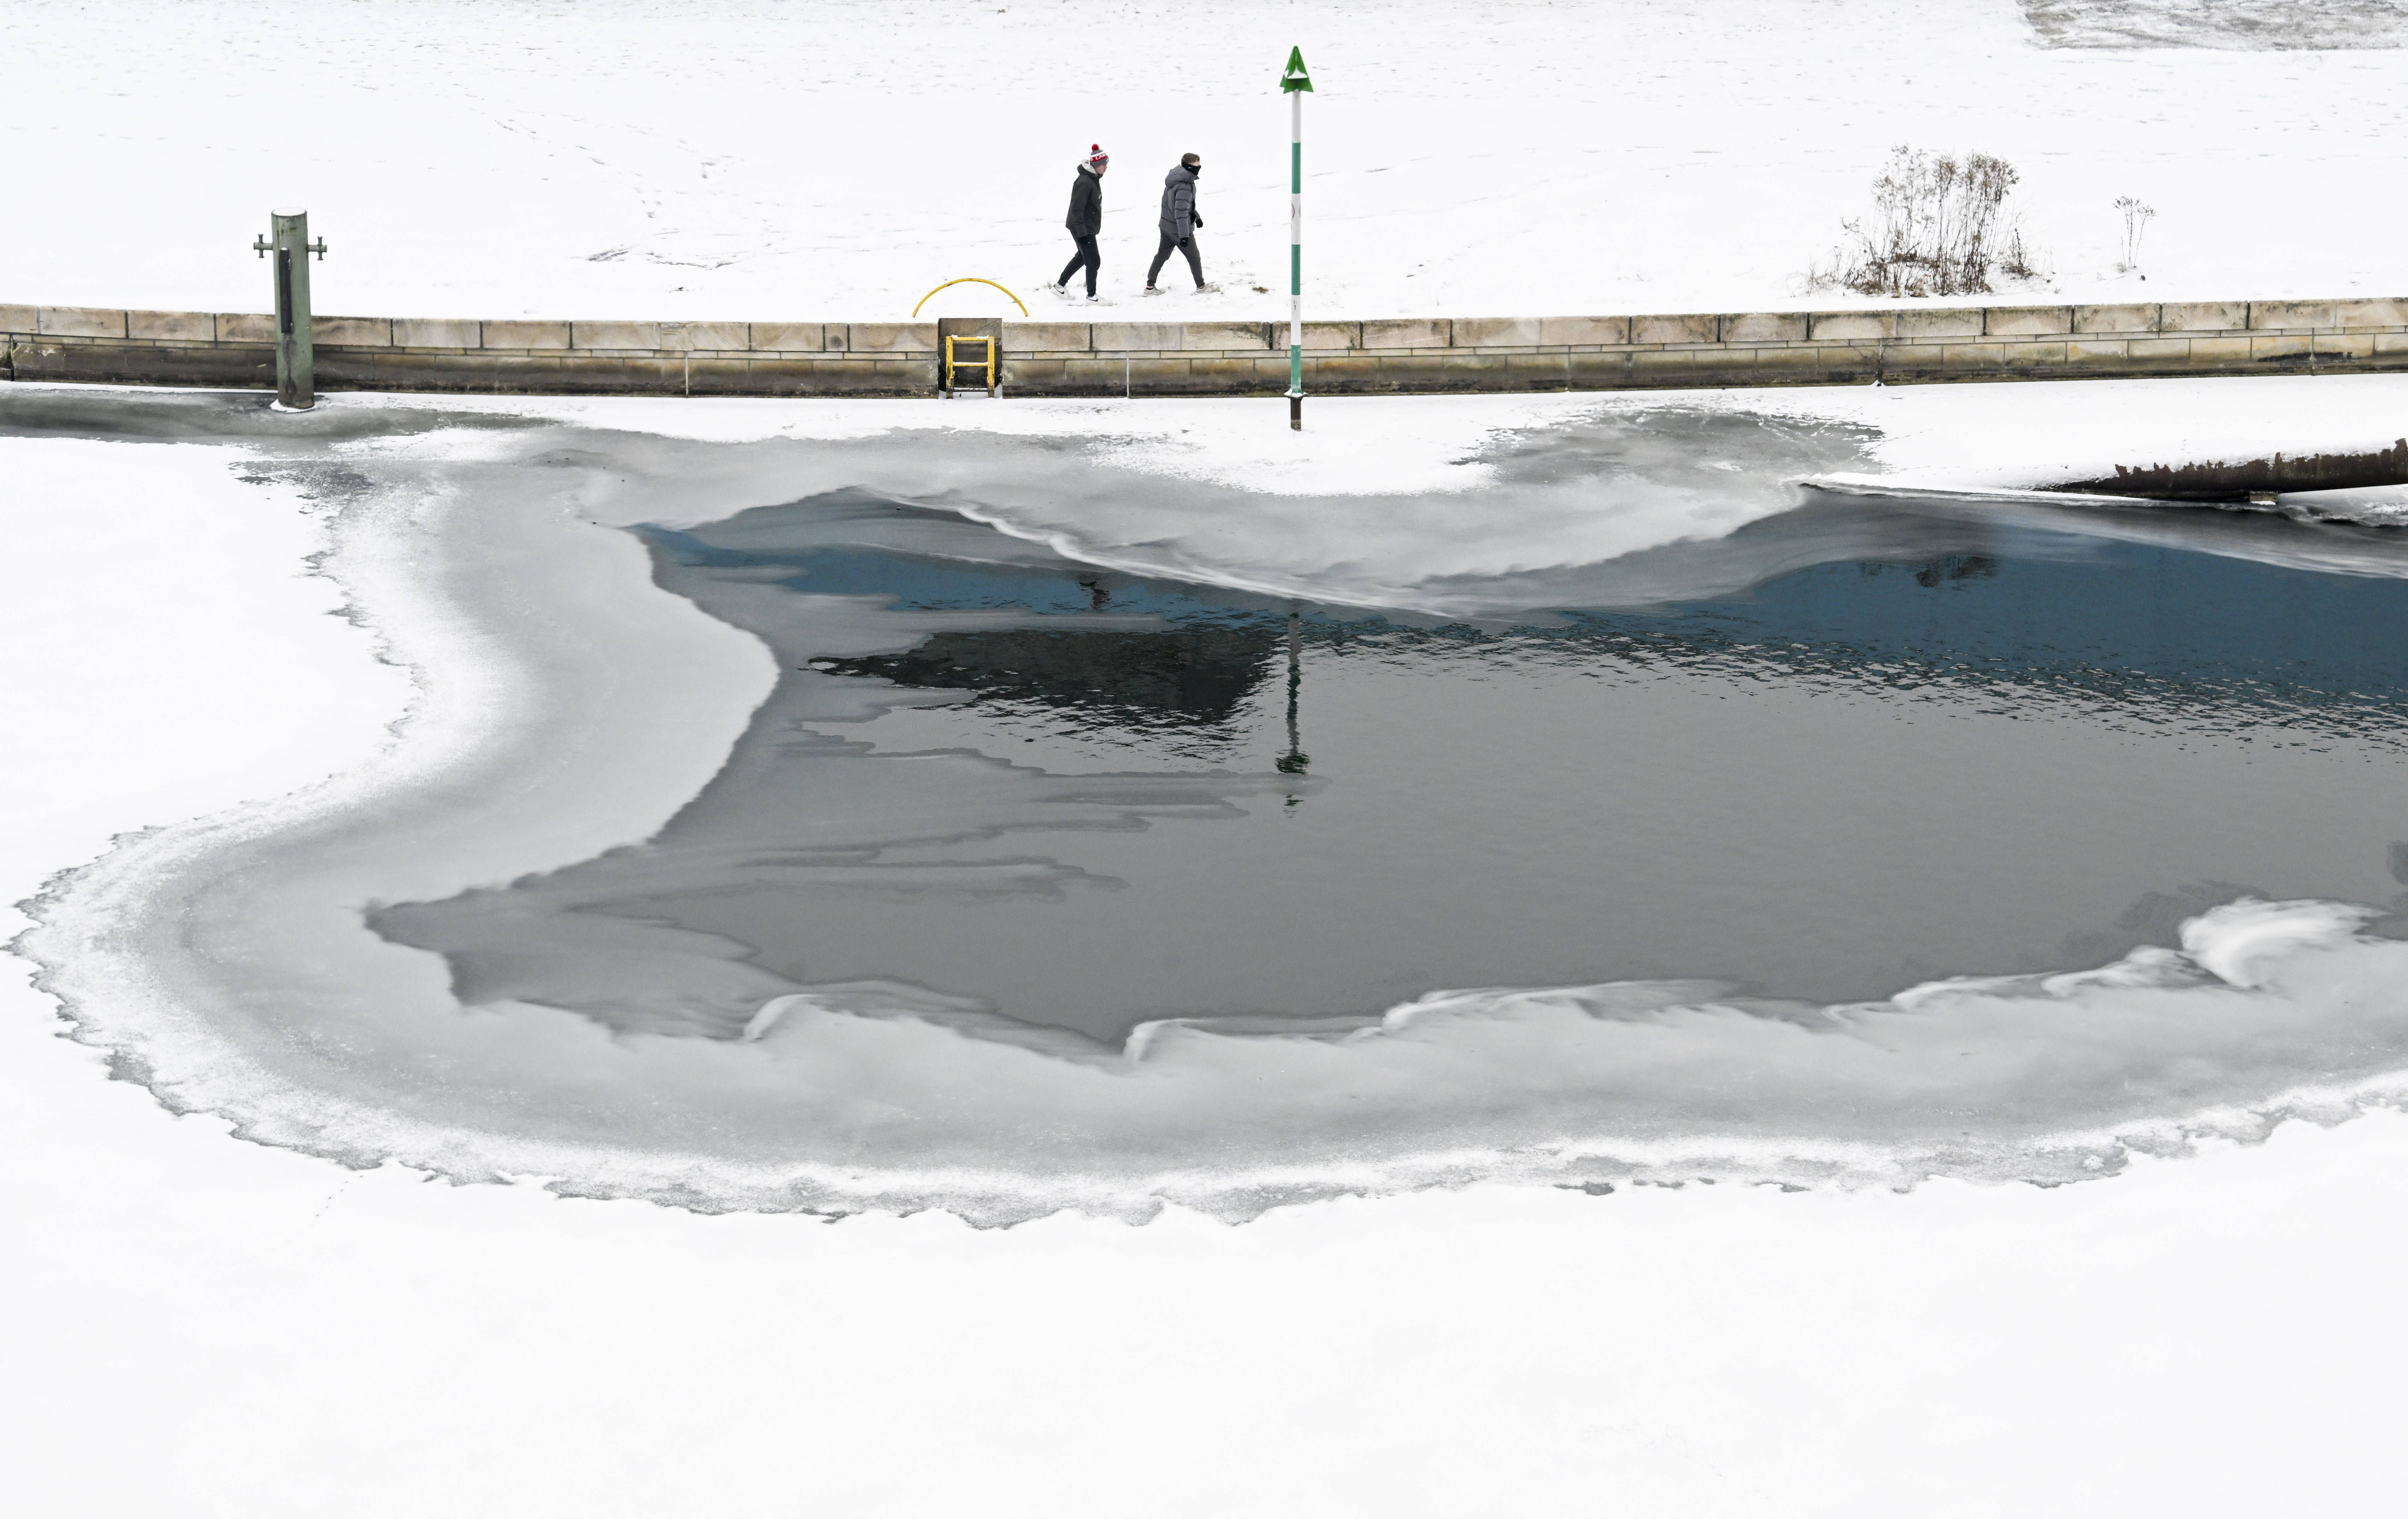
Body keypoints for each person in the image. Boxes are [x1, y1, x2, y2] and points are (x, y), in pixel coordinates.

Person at [1145, 152, 1216, 294]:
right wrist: (1184, 235)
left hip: (1166, 225)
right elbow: (1181, 212)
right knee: (1194, 257)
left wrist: (1197, 217)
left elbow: (1181, 206)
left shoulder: (1175, 178)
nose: (1199, 169)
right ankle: (1201, 287)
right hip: (1178, 229)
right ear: (1189, 168)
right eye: (1196, 167)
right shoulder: (1185, 186)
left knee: (1162, 255)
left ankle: (1150, 287)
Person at [1050, 145, 1108, 301]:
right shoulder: (1085, 182)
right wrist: (1082, 234)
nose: (1106, 167)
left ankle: (1060, 287)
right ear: (1096, 166)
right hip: (1082, 227)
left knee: (1083, 257)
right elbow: (1077, 210)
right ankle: (1091, 296)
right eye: (1104, 164)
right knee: (1094, 261)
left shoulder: (1093, 179)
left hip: (1085, 226)